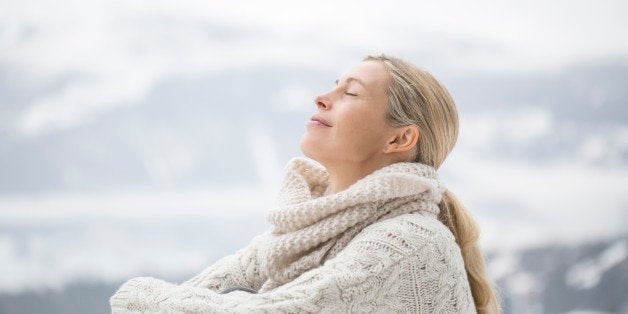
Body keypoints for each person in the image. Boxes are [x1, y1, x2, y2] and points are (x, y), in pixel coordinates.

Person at [110, 54, 499, 313]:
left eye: (350, 93)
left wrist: (137, 296)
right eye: (333, 85)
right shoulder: (295, 238)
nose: (321, 98)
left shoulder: (412, 242)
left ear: (399, 139)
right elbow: (201, 294)